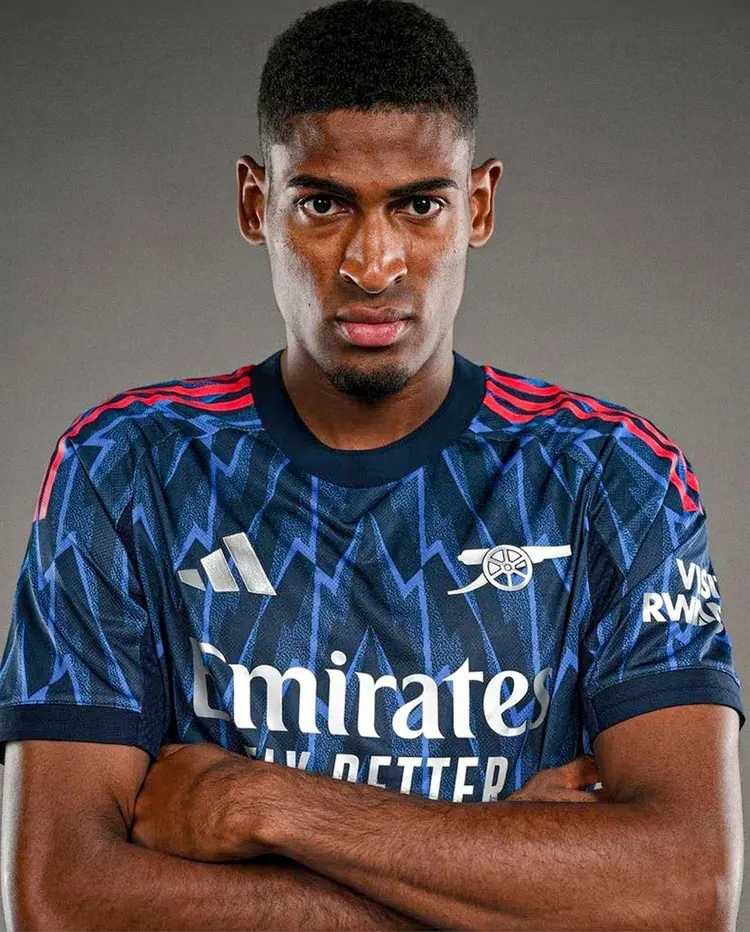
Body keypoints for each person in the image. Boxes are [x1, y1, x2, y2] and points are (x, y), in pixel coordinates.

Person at [0, 0, 744, 929]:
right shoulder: (126, 467)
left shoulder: (613, 474)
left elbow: (689, 890)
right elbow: (59, 899)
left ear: (477, 207)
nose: (373, 263)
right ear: (255, 204)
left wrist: (264, 806)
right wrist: (512, 882)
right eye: (323, 204)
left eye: (419, 205)